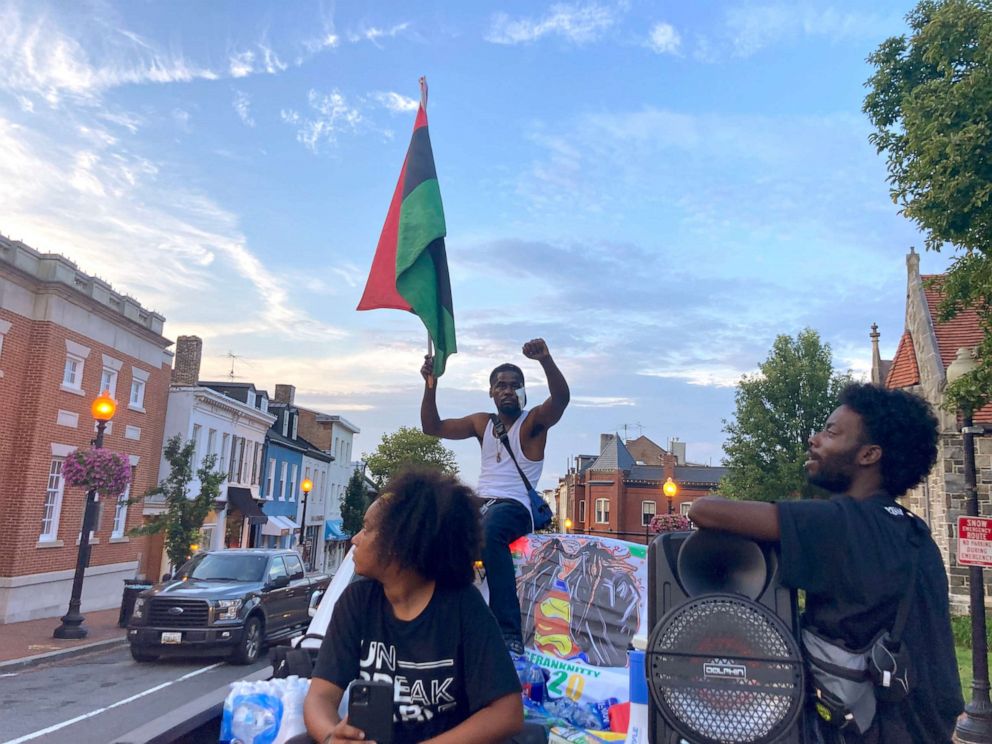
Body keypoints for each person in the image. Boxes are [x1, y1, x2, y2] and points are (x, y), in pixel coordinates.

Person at [688, 383, 963, 743]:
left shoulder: (841, 523)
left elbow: (705, 511)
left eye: (831, 432)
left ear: (869, 455)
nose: (814, 439)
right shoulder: (915, 533)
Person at [304, 467, 524, 744]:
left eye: (367, 528)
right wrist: (330, 736)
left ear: (399, 543)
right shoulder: (356, 602)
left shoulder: (463, 606)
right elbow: (320, 696)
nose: (355, 539)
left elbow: (508, 713)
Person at [421, 338, 570, 656]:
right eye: (500, 385)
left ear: (523, 391)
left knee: (490, 534)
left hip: (515, 505)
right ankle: (431, 614)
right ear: (491, 392)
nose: (507, 390)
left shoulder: (533, 424)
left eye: (514, 385)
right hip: (481, 501)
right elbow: (432, 427)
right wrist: (430, 385)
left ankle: (508, 632)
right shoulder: (482, 423)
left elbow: (560, 399)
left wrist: (546, 360)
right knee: (429, 520)